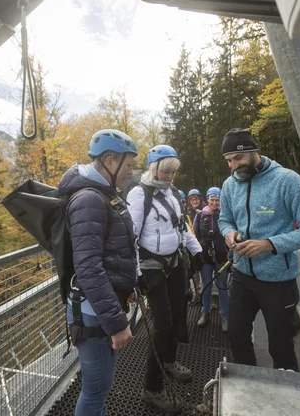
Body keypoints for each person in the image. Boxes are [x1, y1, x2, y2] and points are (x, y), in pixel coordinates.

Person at [218, 128, 300, 371]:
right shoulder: (229, 185)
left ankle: (287, 398)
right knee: (236, 336)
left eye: (238, 158)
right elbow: (225, 220)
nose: (234, 166)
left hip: (278, 280)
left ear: (254, 151)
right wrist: (229, 234)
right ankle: (249, 386)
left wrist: (269, 244)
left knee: (280, 347)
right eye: (229, 161)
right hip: (241, 276)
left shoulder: (287, 180)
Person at [58, 129, 139, 416]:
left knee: (98, 390)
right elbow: (89, 268)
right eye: (128, 165)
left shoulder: (103, 195)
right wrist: (117, 324)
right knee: (95, 393)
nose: (130, 172)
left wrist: (125, 287)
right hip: (94, 312)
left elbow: (111, 252)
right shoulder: (90, 200)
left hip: (99, 307)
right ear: (109, 160)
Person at [127, 145, 203, 413]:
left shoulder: (173, 194)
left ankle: (169, 360)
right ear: (154, 167)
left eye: (174, 172)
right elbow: (131, 238)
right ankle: (152, 387)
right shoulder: (139, 195)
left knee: (179, 312)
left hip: (174, 262)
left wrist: (197, 251)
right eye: (166, 171)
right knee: (163, 322)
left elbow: (180, 227)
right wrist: (137, 274)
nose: (170, 176)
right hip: (151, 267)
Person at [193, 187, 229, 332]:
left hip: (221, 256)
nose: (215, 203)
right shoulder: (201, 216)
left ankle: (225, 315)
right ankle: (204, 312)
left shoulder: (225, 215)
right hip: (206, 256)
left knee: (222, 286)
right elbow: (195, 236)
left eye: (217, 200)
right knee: (206, 285)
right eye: (212, 200)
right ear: (207, 200)